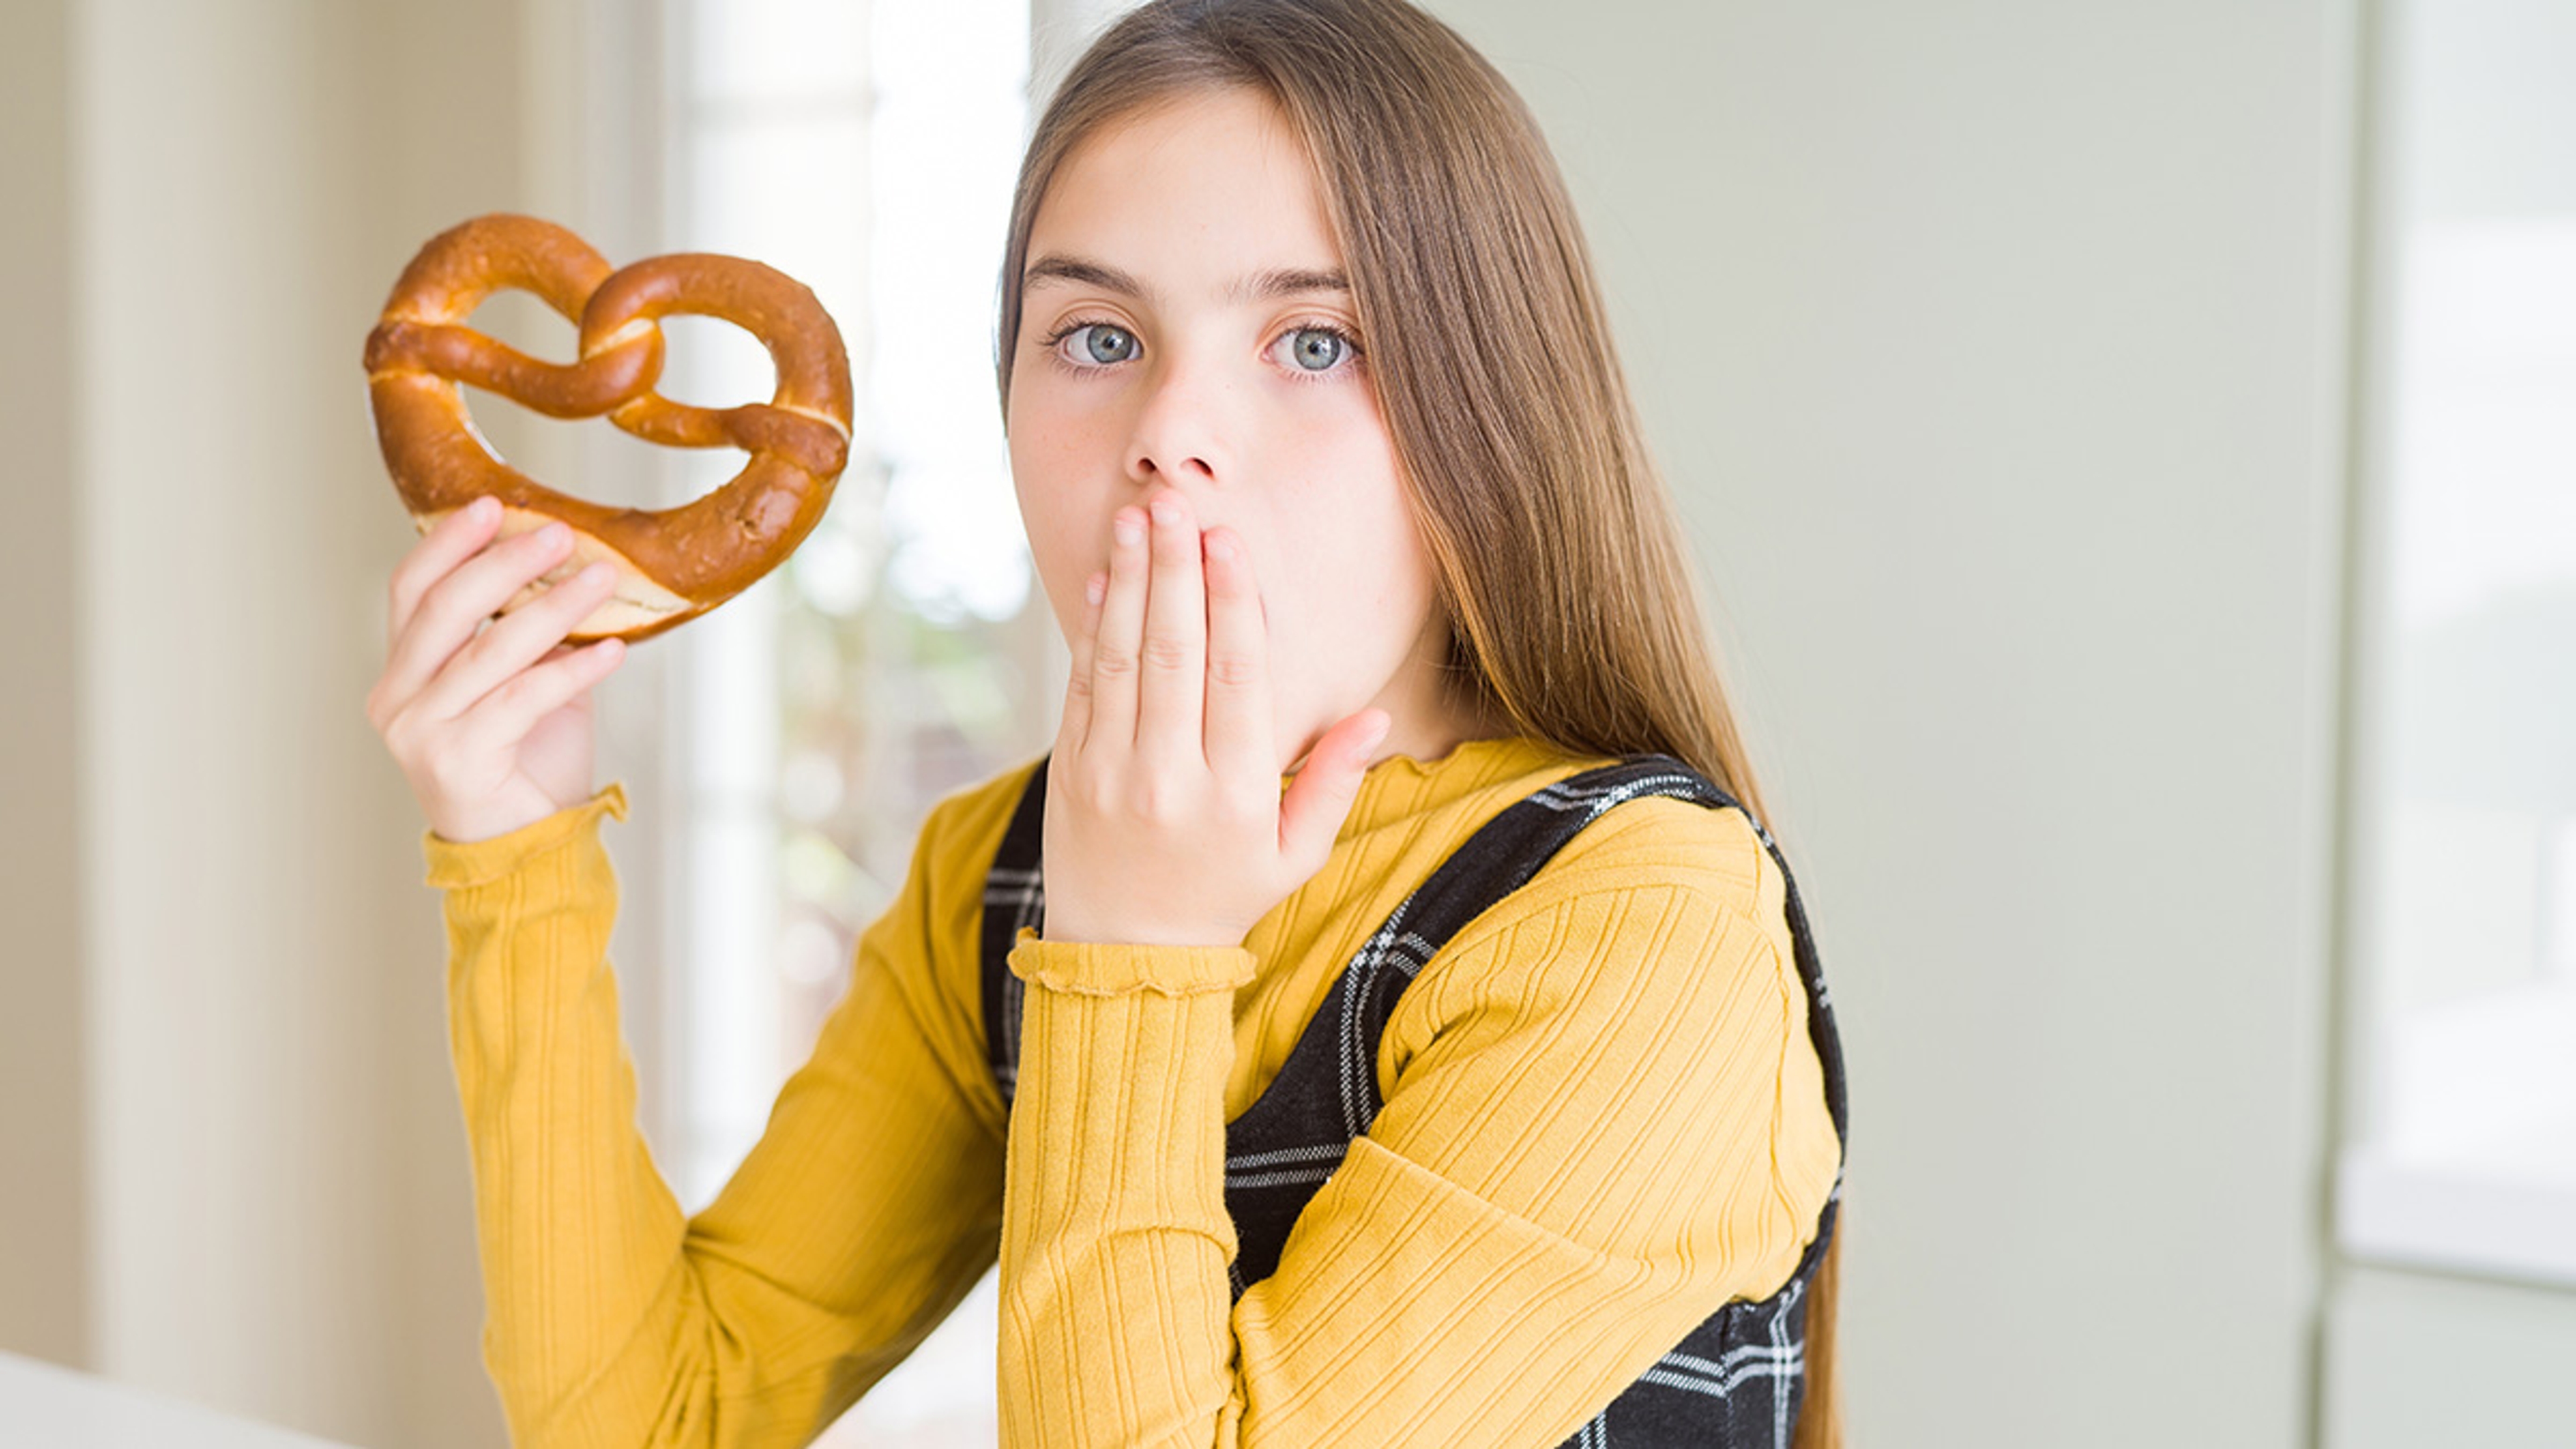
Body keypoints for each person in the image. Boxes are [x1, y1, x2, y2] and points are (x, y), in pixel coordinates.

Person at [364, 1, 1847, 1445]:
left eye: (1314, 342)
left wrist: (1132, 955)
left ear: (1491, 411)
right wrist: (519, 848)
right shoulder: (993, 877)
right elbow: (656, 1421)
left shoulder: (1643, 931)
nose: (1166, 436)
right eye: (1093, 336)